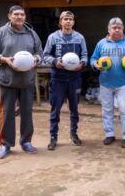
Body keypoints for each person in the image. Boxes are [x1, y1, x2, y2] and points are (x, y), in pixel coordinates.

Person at [0, 5, 43, 159]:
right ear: (9, 16)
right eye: (16, 14)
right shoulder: (0, 33)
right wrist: (4, 60)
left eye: (22, 14)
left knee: (27, 114)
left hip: (27, 81)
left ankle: (26, 142)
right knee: (7, 113)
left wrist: (35, 59)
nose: (19, 17)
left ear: (25, 17)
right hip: (7, 81)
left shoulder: (31, 33)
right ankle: (5, 144)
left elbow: (40, 53)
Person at [90, 17, 125, 148]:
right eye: (114, 28)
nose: (117, 30)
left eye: (119, 27)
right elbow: (93, 58)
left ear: (123, 29)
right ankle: (109, 134)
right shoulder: (101, 43)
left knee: (124, 109)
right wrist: (95, 64)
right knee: (107, 110)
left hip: (123, 82)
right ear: (109, 29)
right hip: (105, 82)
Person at [43, 11, 88, 150]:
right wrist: (55, 61)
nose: (68, 21)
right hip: (58, 79)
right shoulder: (53, 37)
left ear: (73, 22)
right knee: (55, 109)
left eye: (70, 19)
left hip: (74, 79)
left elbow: (85, 55)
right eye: (65, 19)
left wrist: (82, 63)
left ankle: (74, 134)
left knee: (74, 108)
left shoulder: (79, 38)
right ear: (60, 22)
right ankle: (53, 137)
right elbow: (45, 55)